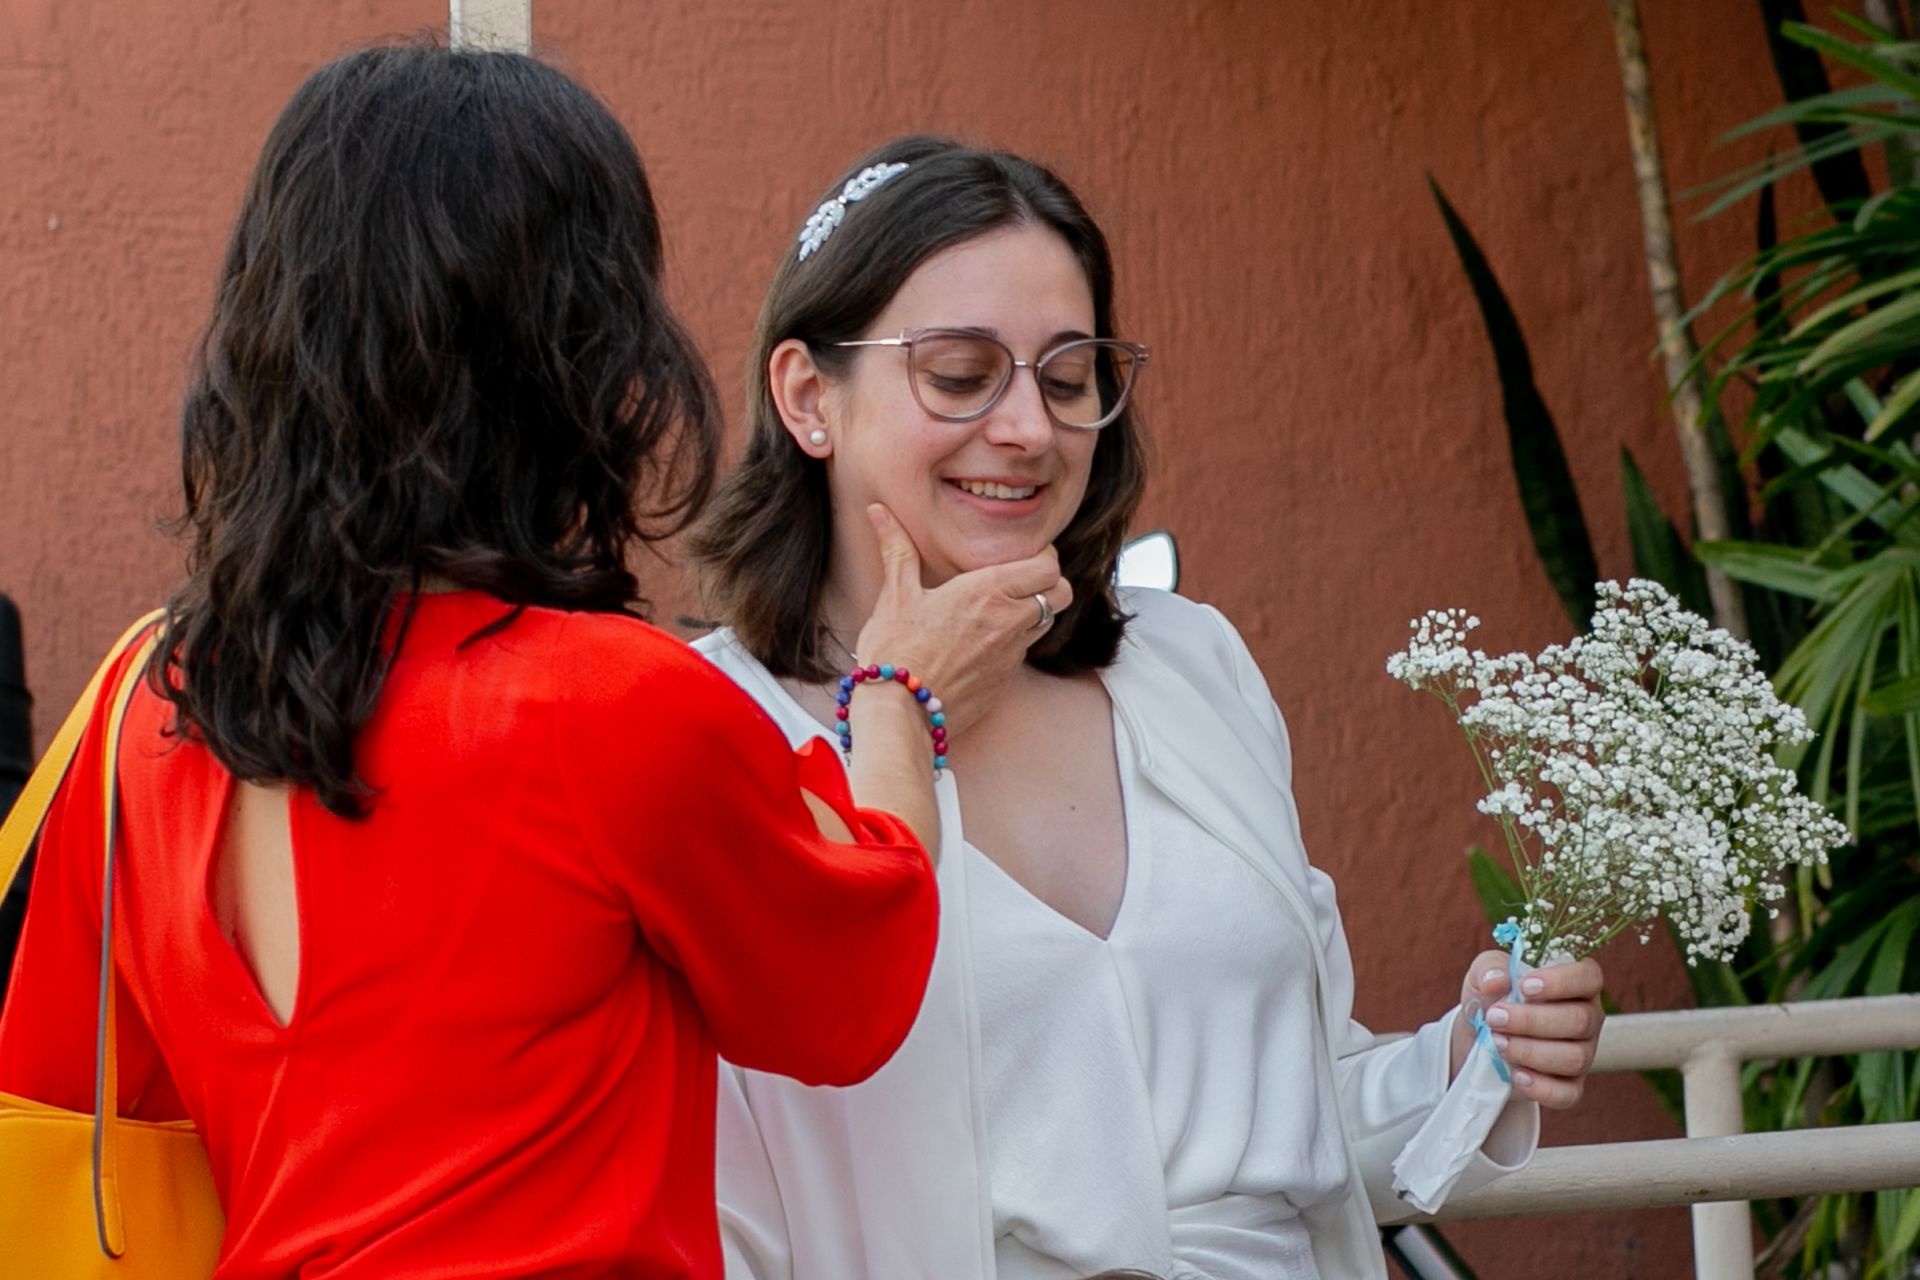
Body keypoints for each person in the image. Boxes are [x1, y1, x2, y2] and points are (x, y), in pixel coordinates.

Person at [0, 55, 1064, 1279]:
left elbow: (62, 1097)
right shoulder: (608, 698)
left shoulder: (151, 699)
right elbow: (850, 990)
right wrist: (901, 696)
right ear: (578, 349)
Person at [690, 137, 1607, 1280]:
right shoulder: (715, 732)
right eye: (962, 373)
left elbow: (1307, 1120)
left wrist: (1473, 1054)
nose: (1029, 428)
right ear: (807, 396)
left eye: (1069, 377)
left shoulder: (1188, 662)